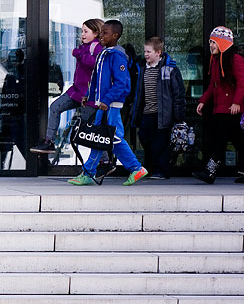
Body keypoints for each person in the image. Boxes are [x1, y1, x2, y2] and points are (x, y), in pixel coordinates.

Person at [68, 19, 148, 186]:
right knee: (99, 138)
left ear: (115, 35)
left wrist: (106, 100)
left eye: (105, 33)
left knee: (113, 138)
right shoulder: (104, 54)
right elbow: (95, 79)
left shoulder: (117, 56)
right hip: (102, 104)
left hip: (110, 106)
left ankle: (136, 168)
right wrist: (89, 96)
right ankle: (89, 172)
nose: (101, 36)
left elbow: (122, 83)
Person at [31, 18, 104, 154]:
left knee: (88, 128)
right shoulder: (83, 47)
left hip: (90, 94)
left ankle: (104, 159)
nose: (82, 34)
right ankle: (49, 141)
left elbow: (95, 64)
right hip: (76, 91)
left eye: (85, 31)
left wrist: (80, 54)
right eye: (82, 31)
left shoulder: (97, 47)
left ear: (95, 33)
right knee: (55, 107)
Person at [193, 26, 244, 183]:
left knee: (220, 140)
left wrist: (237, 103)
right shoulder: (216, 60)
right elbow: (214, 85)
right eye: (210, 42)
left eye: (214, 42)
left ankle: (210, 172)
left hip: (232, 108)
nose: (211, 46)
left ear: (223, 43)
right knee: (237, 140)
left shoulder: (236, 58)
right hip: (221, 107)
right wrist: (203, 101)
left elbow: (242, 84)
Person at [129, 37, 186, 180]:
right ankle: (151, 167)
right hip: (146, 112)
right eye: (145, 51)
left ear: (158, 53)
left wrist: (178, 116)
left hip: (162, 114)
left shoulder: (169, 69)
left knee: (160, 143)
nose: (146, 54)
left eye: (149, 51)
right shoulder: (141, 68)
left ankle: (162, 170)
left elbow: (178, 93)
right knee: (144, 138)